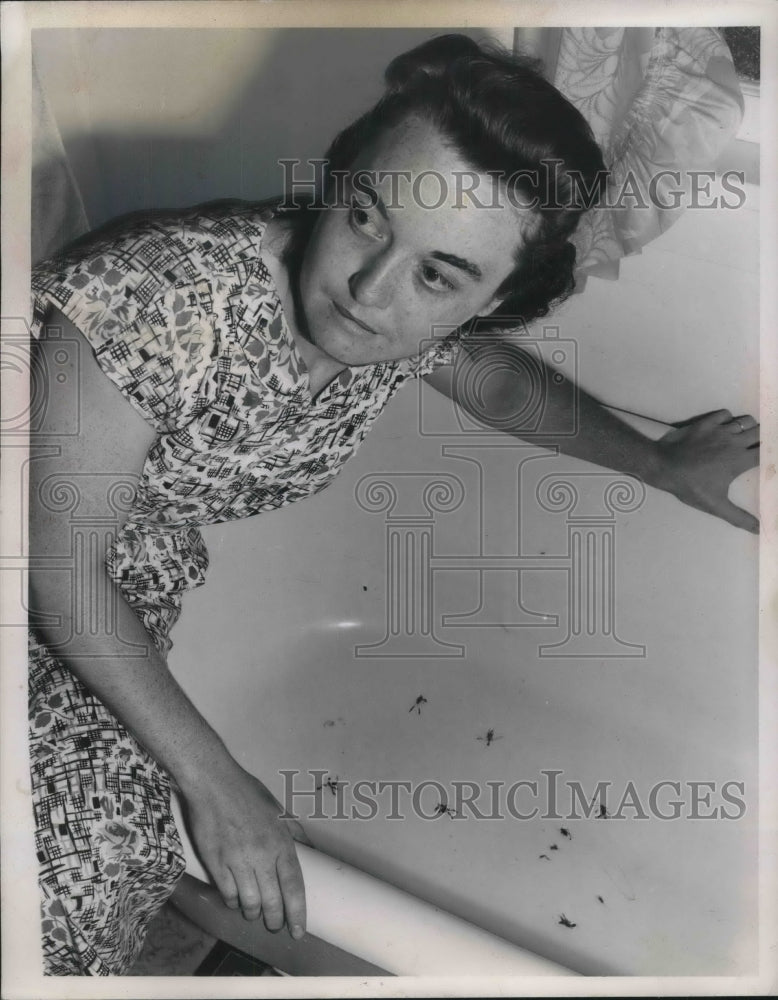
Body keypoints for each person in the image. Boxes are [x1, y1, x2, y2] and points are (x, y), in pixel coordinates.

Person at [28, 33, 759, 975]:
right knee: (79, 872)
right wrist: (220, 786)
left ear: (491, 300)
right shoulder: (155, 299)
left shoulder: (415, 329)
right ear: (338, 181)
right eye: (366, 218)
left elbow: (494, 385)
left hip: (113, 571)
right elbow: (57, 565)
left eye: (439, 274)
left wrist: (658, 463)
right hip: (44, 567)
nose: (371, 290)